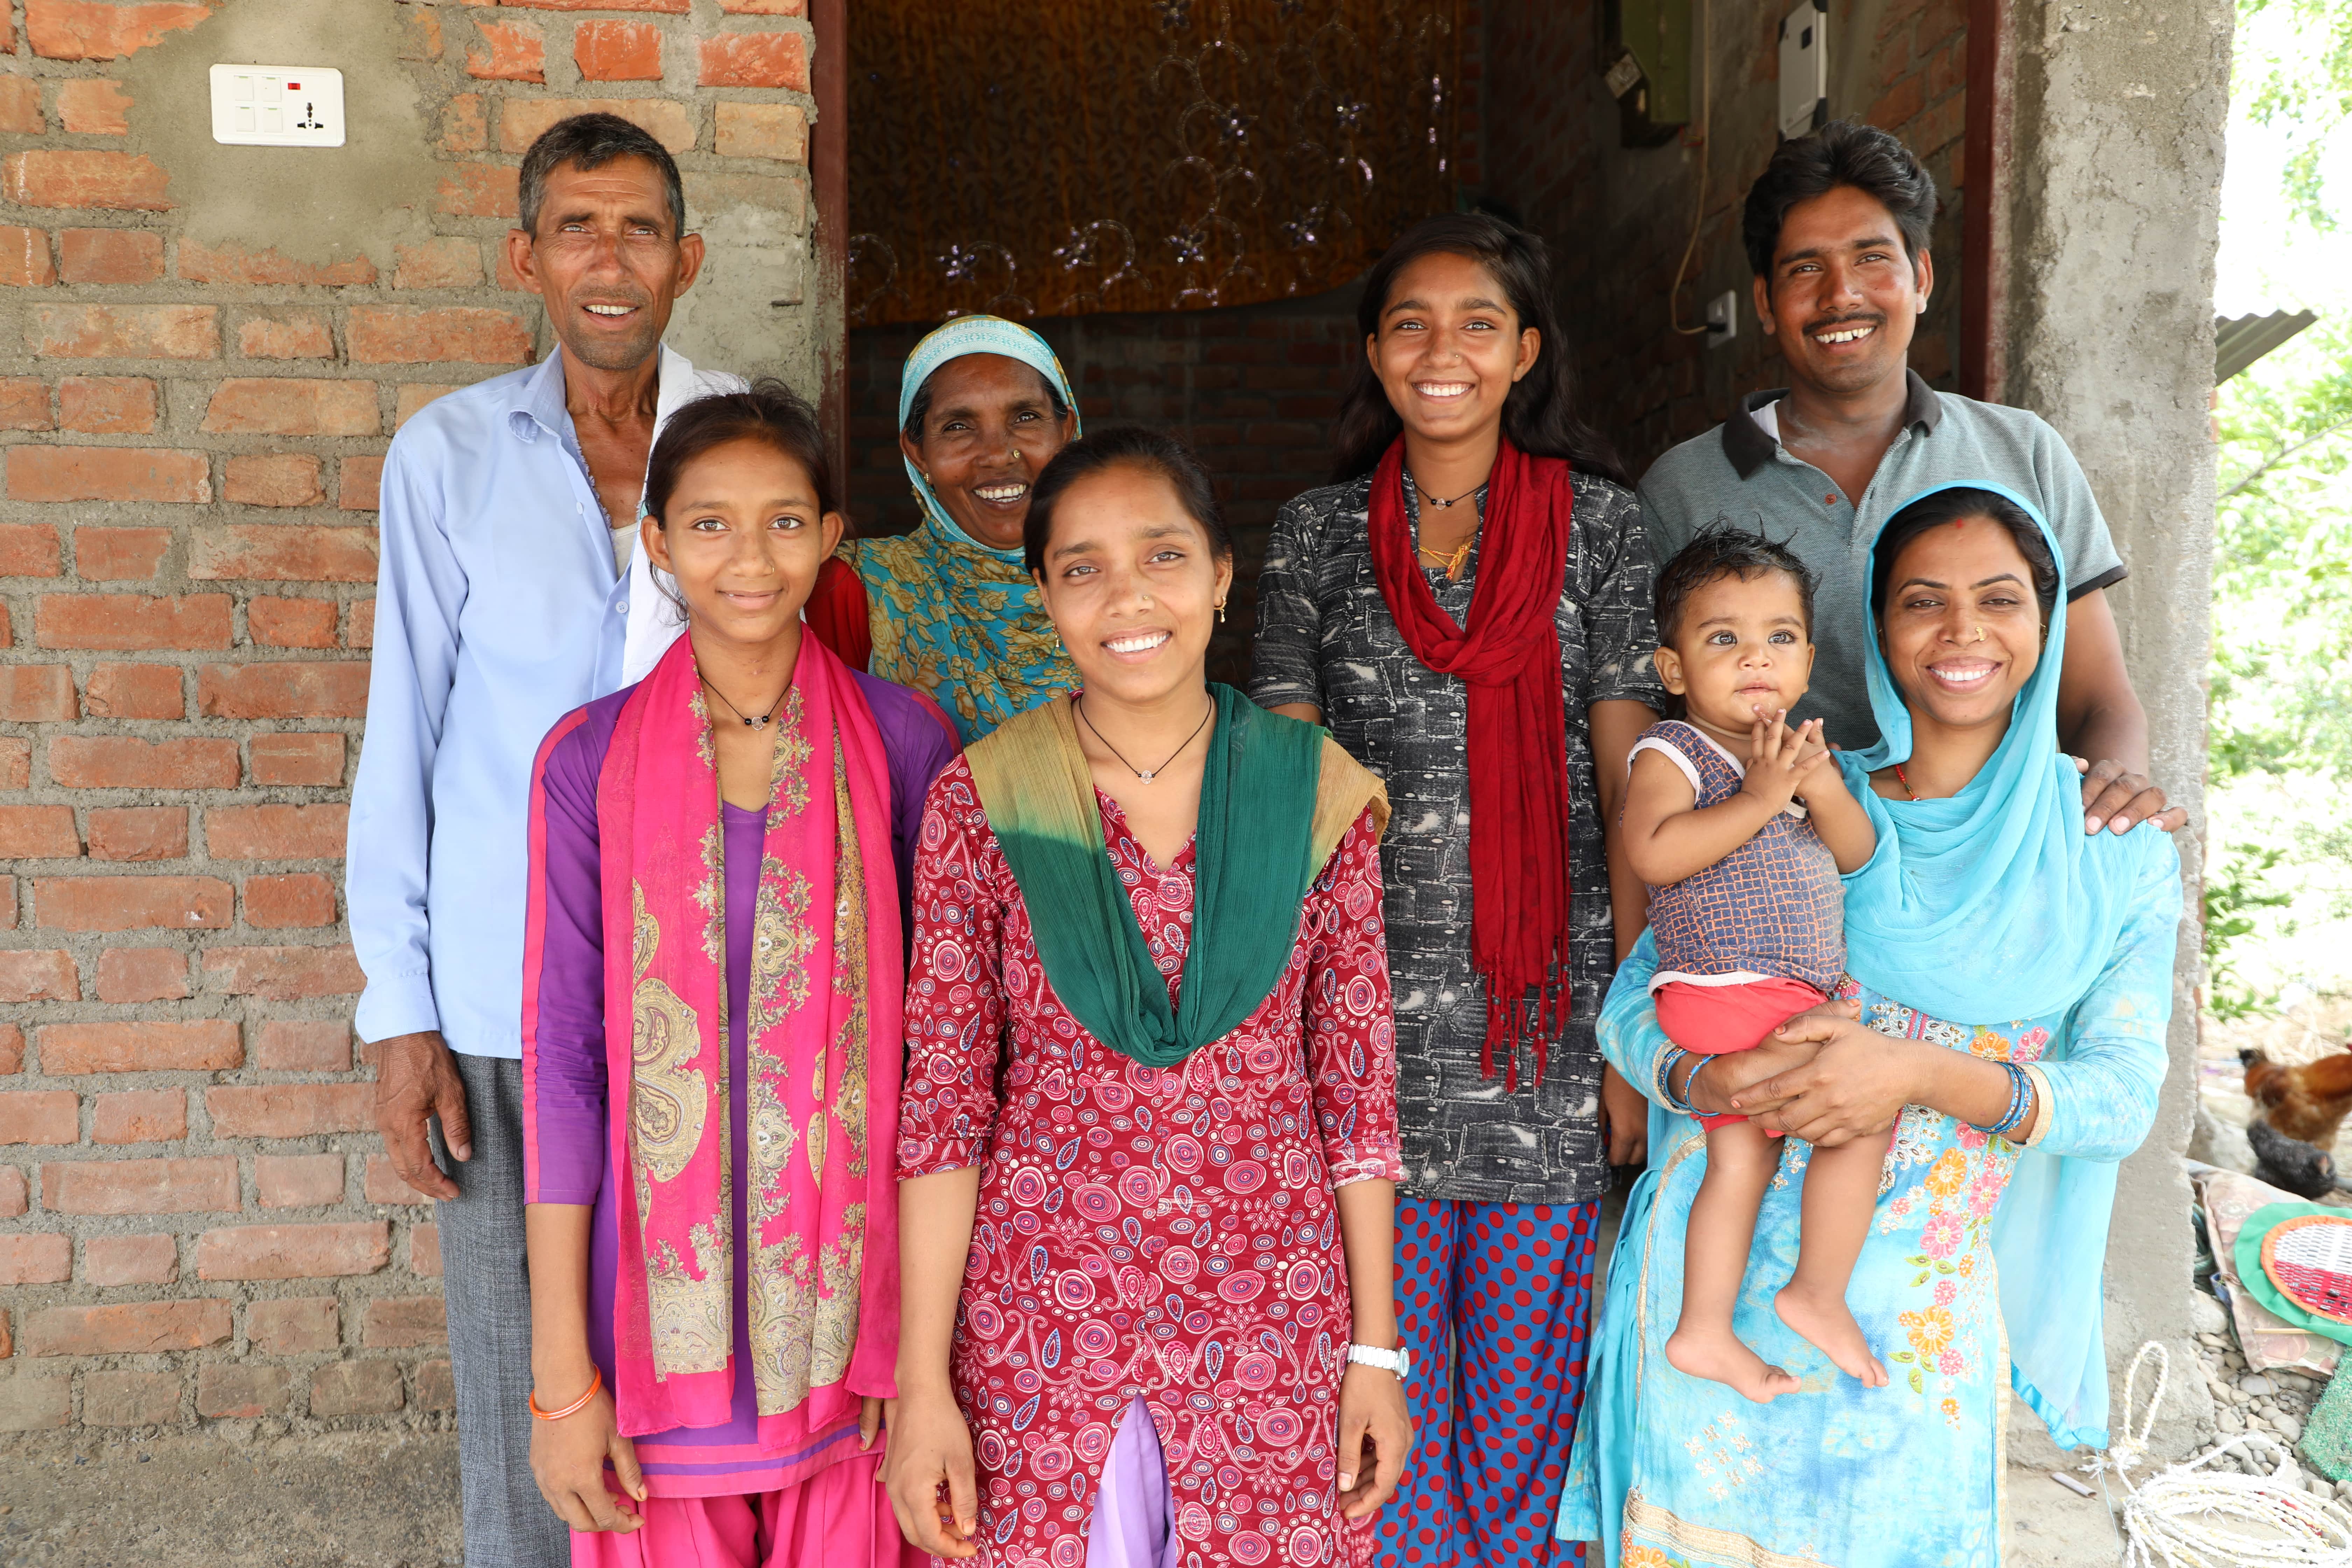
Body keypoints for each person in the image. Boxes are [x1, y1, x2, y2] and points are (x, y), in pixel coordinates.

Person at [1560, 484, 2180, 1567]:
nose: (1960, 630)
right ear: (1875, 629)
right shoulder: (1791, 796)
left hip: (1902, 1336)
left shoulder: (2112, 842)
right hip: (1710, 1284)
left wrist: (1915, 1073)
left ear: (2043, 622)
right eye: (1919, 601)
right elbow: (1632, 1001)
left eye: (1998, 598)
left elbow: (2120, 1099)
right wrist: (1705, 1082)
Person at [885, 427, 1413, 1568]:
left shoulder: (1311, 793)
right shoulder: (985, 799)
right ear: (1044, 594)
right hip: (1041, 1328)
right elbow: (942, 1111)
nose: (1127, 596)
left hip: (1274, 1324)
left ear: (1224, 576)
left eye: (1163, 556)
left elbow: (1358, 1095)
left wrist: (1377, 1356)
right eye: (1081, 567)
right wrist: (922, 1387)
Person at [349, 113, 744, 1568]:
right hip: (506, 995)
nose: (610, 258)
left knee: (700, 1368)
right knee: (530, 1378)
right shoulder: (446, 455)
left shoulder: (740, 436)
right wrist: (400, 1012)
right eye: (577, 227)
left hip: (704, 991)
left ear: (687, 258)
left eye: (640, 227)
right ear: (528, 254)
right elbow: (405, 733)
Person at [1249, 212, 1663, 1567]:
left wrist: (1629, 1040)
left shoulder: (1599, 529)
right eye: (1409, 323)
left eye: (1476, 323)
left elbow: (1630, 793)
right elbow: (1283, 796)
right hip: (1361, 1034)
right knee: (1377, 1420)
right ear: (1372, 353)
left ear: (1523, 352)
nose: (1442, 350)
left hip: (1543, 1035)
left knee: (1524, 1423)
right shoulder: (1310, 538)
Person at [517, 384, 955, 1566]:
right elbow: (565, 1067)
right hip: (653, 1340)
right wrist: (563, 1378)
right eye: (708, 524)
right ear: (657, 545)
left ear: (828, 535)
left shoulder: (907, 741)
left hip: (853, 1346)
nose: (748, 557)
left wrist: (918, 1362)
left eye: (783, 520)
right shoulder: (589, 759)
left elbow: (943, 1068)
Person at [1640, 121, 2183, 836]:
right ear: (1767, 304)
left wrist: (2107, 812)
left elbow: (2098, 700)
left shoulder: (2022, 452)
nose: (1842, 295)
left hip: (1995, 864)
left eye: (1871, 258)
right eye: (1806, 268)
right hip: (1788, 882)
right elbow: (1658, 728)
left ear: (1921, 278)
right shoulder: (1683, 488)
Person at [1618, 533, 1876, 1403]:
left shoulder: (1802, 757)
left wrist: (1821, 790)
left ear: (1808, 657)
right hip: (1727, 991)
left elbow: (1855, 853)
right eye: (1723, 639)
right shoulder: (1674, 751)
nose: (1755, 658)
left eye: (1780, 637)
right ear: (1676, 667)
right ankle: (1816, 1293)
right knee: (1862, 1108)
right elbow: (1653, 854)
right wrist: (1763, 798)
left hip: (1768, 1001)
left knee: (1743, 1165)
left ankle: (1703, 1330)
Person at [805, 315, 1082, 742]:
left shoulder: (1125, 579)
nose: (998, 455)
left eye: (1025, 417)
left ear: (1066, 431)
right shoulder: (855, 589)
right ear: (918, 454)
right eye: (958, 427)